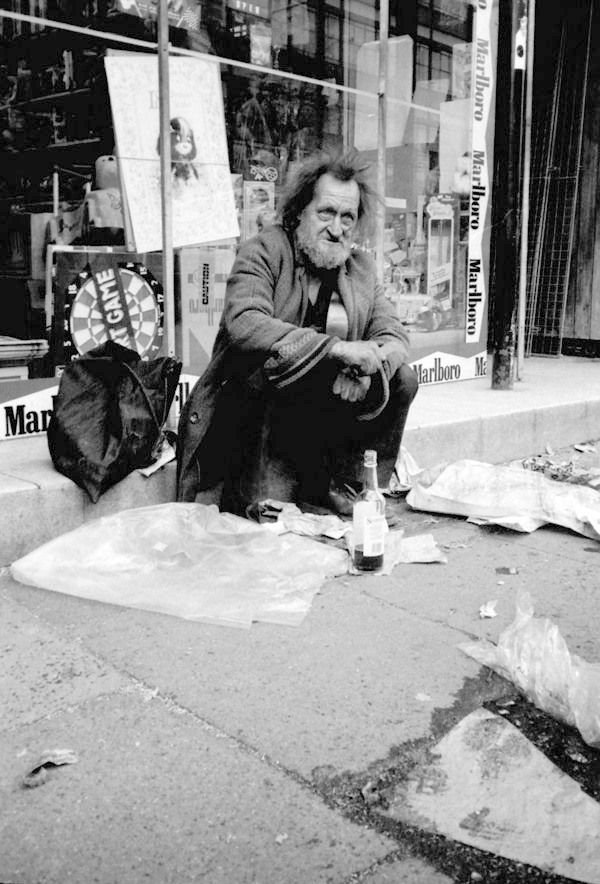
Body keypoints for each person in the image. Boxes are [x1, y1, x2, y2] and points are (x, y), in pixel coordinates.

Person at [176, 150, 419, 516]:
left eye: (347, 218)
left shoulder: (362, 268)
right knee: (270, 517)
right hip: (256, 413)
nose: (336, 229)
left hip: (322, 416)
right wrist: (337, 351)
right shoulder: (262, 251)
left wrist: (368, 370)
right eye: (326, 213)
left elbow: (395, 336)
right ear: (299, 211)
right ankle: (273, 486)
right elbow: (245, 322)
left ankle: (348, 483)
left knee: (401, 378)